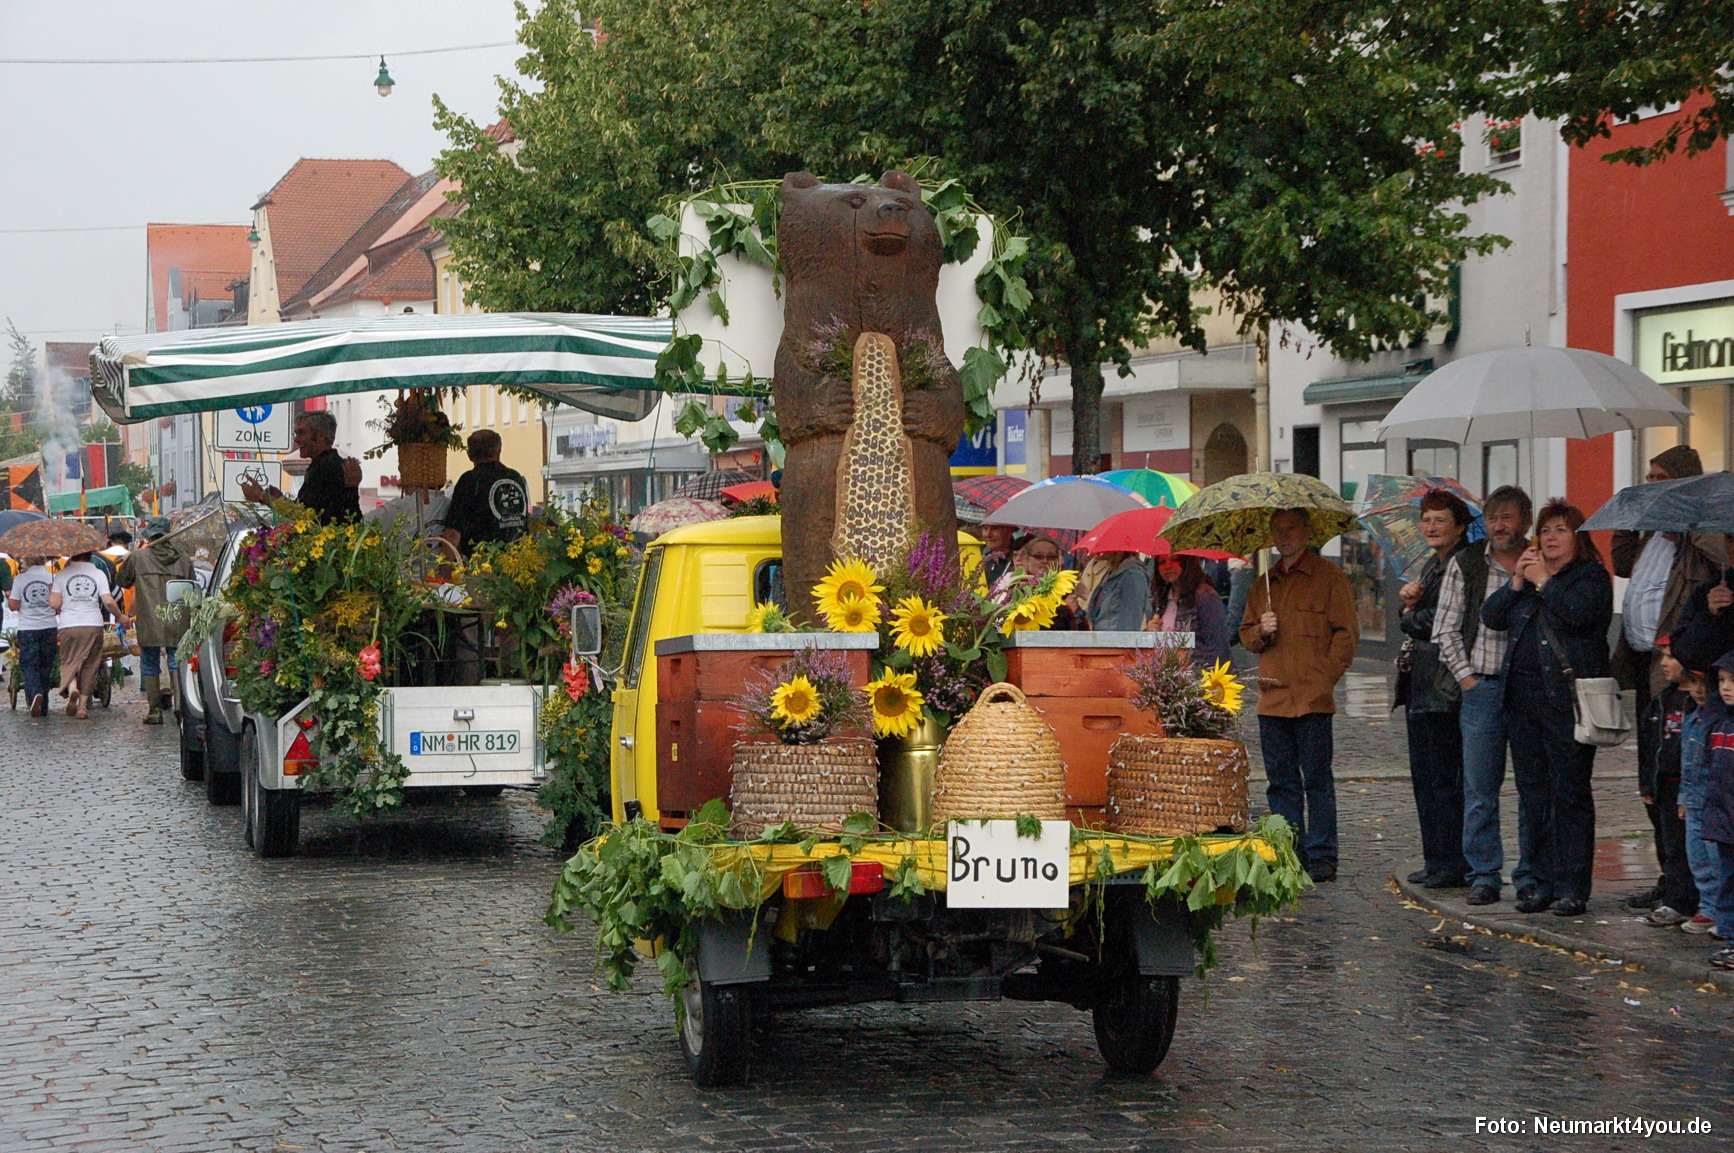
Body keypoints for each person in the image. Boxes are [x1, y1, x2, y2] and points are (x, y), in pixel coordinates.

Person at [1481, 499, 1613, 917]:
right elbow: (1491, 616)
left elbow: (1580, 615)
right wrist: (1517, 581)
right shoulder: (1530, 579)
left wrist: (1544, 582)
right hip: (1522, 703)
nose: (1551, 537)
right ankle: (1541, 882)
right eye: (1545, 530)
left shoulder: (1590, 578)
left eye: (1561, 529)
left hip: (1566, 703)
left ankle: (1573, 887)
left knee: (1569, 793)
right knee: (1534, 795)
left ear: (1578, 538)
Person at [1610, 443, 1726, 913]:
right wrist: (1631, 515)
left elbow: (1719, 559)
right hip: (1644, 663)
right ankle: (1669, 873)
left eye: (1660, 478)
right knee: (1651, 775)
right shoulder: (1652, 530)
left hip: (1680, 669)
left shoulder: (1698, 531)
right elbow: (1622, 564)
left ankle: (1688, 885)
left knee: (1676, 775)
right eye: (1649, 477)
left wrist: (1688, 522)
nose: (1652, 485)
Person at [1238, 508, 1358, 882]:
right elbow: (1245, 635)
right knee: (1281, 783)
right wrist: (1261, 629)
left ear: (1306, 532)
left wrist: (1325, 677)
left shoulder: (1329, 578)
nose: (1285, 536)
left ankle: (1322, 855)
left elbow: (1346, 633)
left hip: (1312, 699)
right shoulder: (1264, 584)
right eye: (1278, 530)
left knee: (1317, 781)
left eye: (1291, 528)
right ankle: (1288, 851)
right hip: (1273, 699)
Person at [1431, 485, 1536, 908]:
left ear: (1525, 521)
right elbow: (1445, 628)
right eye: (1493, 518)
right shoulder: (1469, 562)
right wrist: (1467, 679)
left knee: (1532, 787)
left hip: (1530, 689)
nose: (1499, 526)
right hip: (1484, 687)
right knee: (1480, 789)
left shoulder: (1540, 561)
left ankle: (1530, 874)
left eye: (1507, 517)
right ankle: (1485, 874)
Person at [1396, 490, 1473, 889]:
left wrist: (1409, 612)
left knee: (1444, 780)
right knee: (1424, 778)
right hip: (1423, 684)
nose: (1430, 526)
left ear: (1459, 526)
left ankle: (1451, 861)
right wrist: (1410, 603)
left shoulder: (1462, 563)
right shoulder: (1433, 564)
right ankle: (1434, 858)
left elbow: (1435, 623)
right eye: (1426, 519)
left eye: (1440, 519)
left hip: (1445, 686)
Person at [1637, 642, 1699, 926]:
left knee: (1693, 848)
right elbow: (1648, 745)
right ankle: (1677, 900)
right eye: (1662, 656)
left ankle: (1698, 900)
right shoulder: (1662, 699)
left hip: (1691, 786)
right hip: (1665, 785)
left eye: (1671, 657)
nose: (1663, 663)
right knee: (1670, 845)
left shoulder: (1697, 702)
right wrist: (1647, 783)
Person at [119, 516, 193, 726]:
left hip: (149, 619)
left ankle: (154, 711)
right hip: (177, 619)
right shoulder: (184, 559)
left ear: (150, 536)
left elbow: (123, 580)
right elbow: (192, 589)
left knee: (150, 664)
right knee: (176, 662)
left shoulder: (138, 557)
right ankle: (180, 708)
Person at [238, 410, 362, 524]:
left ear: (321, 435)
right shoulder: (325, 463)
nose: (296, 439)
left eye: (302, 433)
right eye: (296, 433)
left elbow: (302, 516)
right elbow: (307, 510)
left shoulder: (325, 467)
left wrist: (261, 496)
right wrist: (279, 499)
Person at [50, 550, 129, 719]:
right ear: (90, 555)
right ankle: (82, 707)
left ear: (72, 555)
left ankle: (73, 688)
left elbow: (54, 603)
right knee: (91, 664)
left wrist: (57, 597)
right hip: (93, 624)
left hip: (69, 625)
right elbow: (108, 601)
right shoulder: (98, 573)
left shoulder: (62, 574)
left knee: (69, 660)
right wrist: (120, 616)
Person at [1678, 664, 1726, 937]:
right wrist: (1683, 798)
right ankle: (1708, 906)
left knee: (1718, 860)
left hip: (1714, 802)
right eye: (1693, 683)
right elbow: (1687, 762)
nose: (1698, 691)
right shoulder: (1691, 719)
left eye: (1704, 684)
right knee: (1698, 858)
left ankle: (1723, 910)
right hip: (1694, 799)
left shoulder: (1719, 721)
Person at [1699, 654, 1734, 970]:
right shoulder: (1721, 724)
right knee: (1727, 881)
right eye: (1722, 680)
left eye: (1732, 681)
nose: (1726, 687)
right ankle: (1729, 936)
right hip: (1724, 822)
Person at [442, 429, 529, 558]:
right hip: (519, 559)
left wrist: (444, 567)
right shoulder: (515, 477)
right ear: (499, 450)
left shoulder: (469, 480)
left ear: (470, 455)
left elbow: (453, 533)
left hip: (483, 562)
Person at [1146, 553, 1230, 667]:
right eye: (1162, 562)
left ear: (1187, 562)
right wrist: (1150, 631)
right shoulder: (1161, 599)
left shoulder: (1205, 596)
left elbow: (1219, 646)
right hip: (1169, 674)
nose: (1168, 566)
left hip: (1200, 673)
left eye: (1175, 560)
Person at [6, 556, 58, 717]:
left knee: (29, 665)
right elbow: (58, 605)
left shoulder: (20, 579)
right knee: (45, 665)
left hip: (28, 627)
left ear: (27, 561)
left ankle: (35, 694)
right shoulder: (53, 578)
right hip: (49, 626)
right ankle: (44, 705)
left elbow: (13, 605)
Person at [1086, 550, 1151, 632]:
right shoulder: (1110, 573)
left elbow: (1130, 623)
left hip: (1115, 638)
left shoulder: (1133, 575)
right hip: (1102, 638)